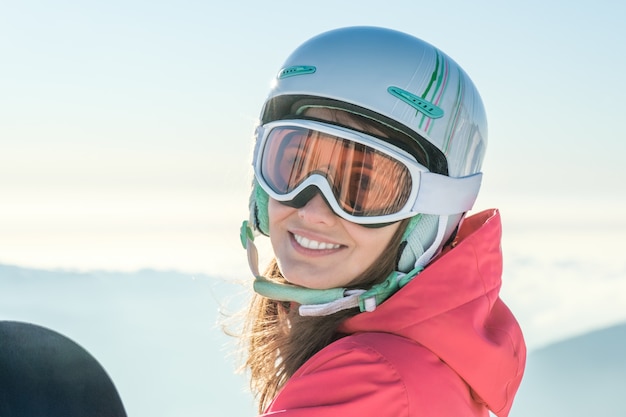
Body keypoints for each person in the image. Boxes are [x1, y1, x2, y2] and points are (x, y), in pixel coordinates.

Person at [237, 26, 526, 417]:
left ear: (424, 220)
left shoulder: (372, 383)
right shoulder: (411, 363)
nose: (312, 211)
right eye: (293, 166)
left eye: (363, 186)